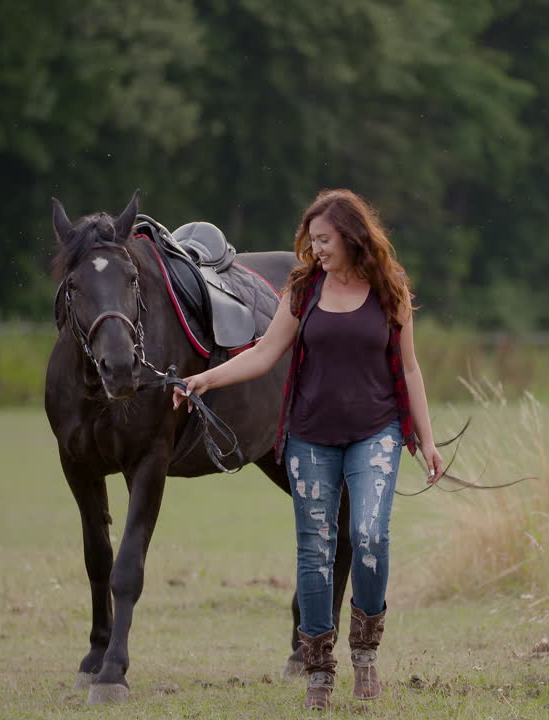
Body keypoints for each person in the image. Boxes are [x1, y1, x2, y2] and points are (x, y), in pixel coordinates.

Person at [173, 188, 445, 710]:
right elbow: (265, 352)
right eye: (312, 239)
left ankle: (365, 652)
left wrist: (426, 441)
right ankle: (318, 668)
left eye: (324, 239)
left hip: (377, 433)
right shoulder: (302, 290)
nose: (315, 248)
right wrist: (205, 378)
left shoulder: (389, 288)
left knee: (368, 536)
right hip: (309, 438)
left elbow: (409, 367)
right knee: (315, 552)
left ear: (351, 235)